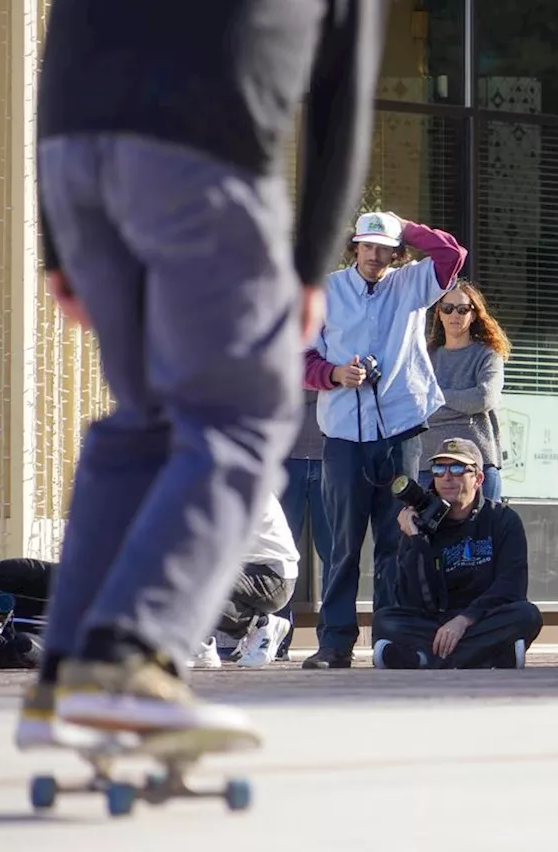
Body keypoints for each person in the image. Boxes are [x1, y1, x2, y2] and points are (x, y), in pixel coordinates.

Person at [18, 0, 387, 745]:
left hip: (77, 159)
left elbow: (64, 27)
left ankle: (64, 681)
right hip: (197, 156)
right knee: (240, 415)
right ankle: (131, 658)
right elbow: (342, 94)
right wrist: (311, 263)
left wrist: (58, 234)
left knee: (146, 422)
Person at [300, 211, 468, 669]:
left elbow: (452, 253)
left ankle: (390, 639)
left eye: (385, 248)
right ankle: (335, 642)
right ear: (355, 248)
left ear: (397, 252)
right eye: (367, 245)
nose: (375, 256)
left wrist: (402, 225)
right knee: (343, 543)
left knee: (399, 539)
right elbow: (300, 356)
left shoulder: (411, 282)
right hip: (343, 433)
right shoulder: (326, 289)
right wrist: (334, 374)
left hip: (399, 428)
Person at [15, 493, 301, 748]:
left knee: (187, 573)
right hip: (241, 564)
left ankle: (247, 628)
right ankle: (71, 679)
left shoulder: (225, 480)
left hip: (272, 576)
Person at [371, 439, 542, 669]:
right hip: (436, 621)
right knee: (384, 621)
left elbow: (511, 586)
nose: (447, 477)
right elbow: (412, 600)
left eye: (458, 468)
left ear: (478, 478)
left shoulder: (503, 519)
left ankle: (425, 660)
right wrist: (416, 540)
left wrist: (464, 620)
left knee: (527, 615)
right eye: (439, 469)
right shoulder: (421, 522)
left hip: (481, 618)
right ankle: (489, 657)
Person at [190, 493, 299, 671]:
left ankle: (261, 625)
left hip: (271, 577)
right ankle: (200, 646)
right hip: (260, 573)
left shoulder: (232, 484)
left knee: (189, 578)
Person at [424, 280, 511, 502]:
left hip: (478, 464)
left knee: (484, 534)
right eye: (448, 308)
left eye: (463, 309)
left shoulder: (488, 355)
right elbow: (417, 406)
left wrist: (437, 396)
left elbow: (483, 398)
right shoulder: (425, 357)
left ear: (473, 315)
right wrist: (463, 405)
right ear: (440, 314)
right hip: (429, 466)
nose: (455, 314)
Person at [275, 391, 332, 662]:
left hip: (330, 456)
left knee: (334, 554)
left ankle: (333, 638)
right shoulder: (279, 349)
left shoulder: (334, 347)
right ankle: (275, 637)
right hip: (285, 460)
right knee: (279, 553)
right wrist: (323, 381)